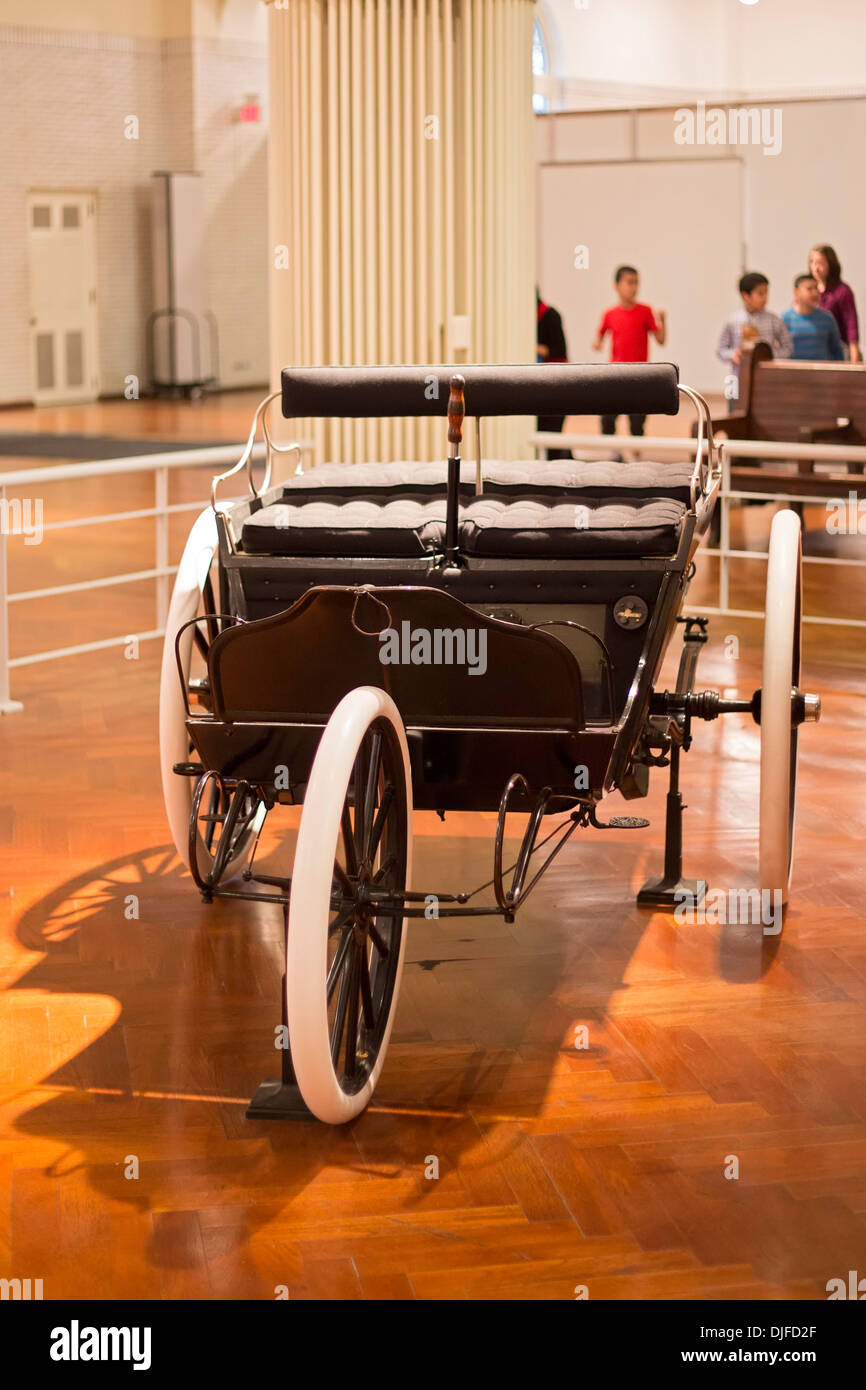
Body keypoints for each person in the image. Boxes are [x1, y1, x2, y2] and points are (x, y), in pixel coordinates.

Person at [592, 266, 665, 439]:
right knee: (608, 417)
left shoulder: (645, 311)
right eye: (629, 283)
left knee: (638, 421)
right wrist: (596, 344)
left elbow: (660, 340)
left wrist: (663, 321)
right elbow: (599, 338)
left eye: (636, 283)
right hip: (615, 373)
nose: (634, 288)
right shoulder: (610, 314)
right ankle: (612, 452)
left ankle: (636, 454)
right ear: (617, 286)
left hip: (640, 374)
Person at [716, 271, 792, 408]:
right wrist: (733, 354)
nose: (765, 298)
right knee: (735, 415)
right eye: (760, 294)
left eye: (766, 293)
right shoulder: (733, 321)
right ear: (746, 296)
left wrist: (769, 356)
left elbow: (788, 347)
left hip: (766, 380)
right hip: (737, 378)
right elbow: (720, 350)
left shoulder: (773, 320)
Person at [536, 289, 573, 460]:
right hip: (536, 385)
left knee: (553, 438)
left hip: (554, 385)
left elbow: (561, 352)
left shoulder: (550, 315)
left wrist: (541, 349)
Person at [808, 244, 861, 363]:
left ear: (830, 264)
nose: (815, 268)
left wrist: (854, 360)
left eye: (820, 263)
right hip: (814, 352)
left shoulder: (842, 291)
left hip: (838, 352)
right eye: (812, 262)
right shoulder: (807, 290)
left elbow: (851, 327)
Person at [782, 274, 845, 361]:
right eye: (809, 289)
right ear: (796, 292)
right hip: (792, 372)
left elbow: (837, 350)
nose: (815, 293)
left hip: (821, 372)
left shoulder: (827, 318)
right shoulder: (785, 319)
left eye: (816, 288)